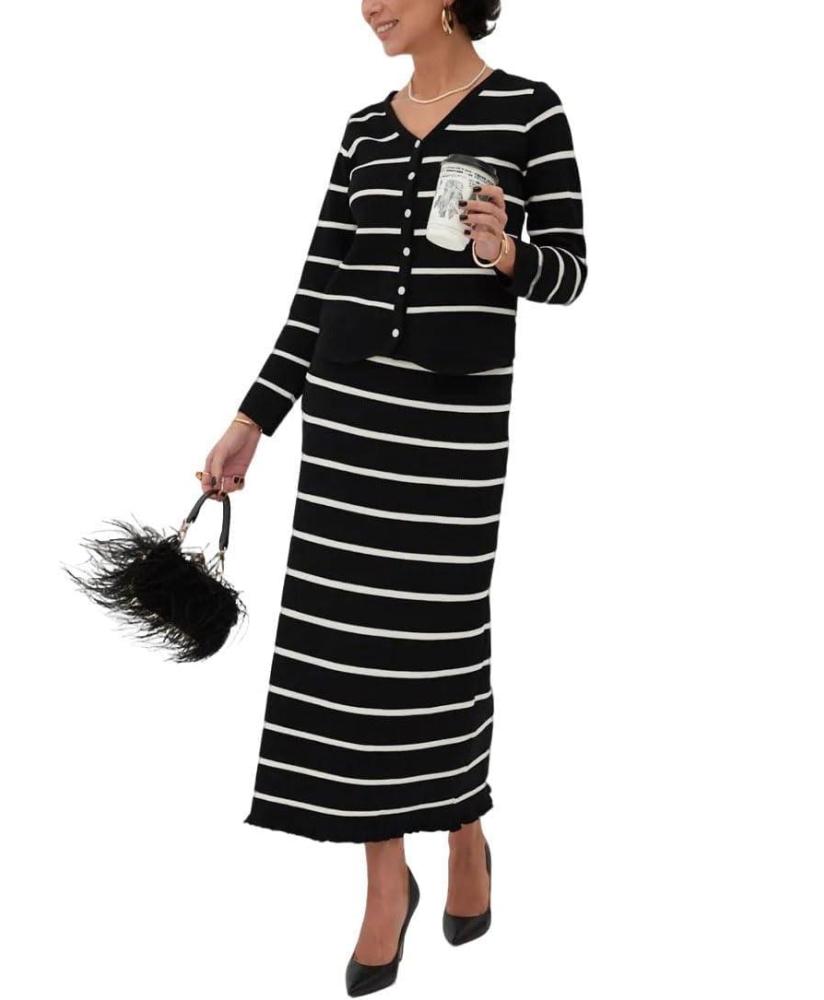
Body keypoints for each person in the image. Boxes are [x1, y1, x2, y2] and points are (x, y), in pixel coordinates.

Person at [200, 1, 587, 993]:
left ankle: (463, 827)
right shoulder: (363, 130)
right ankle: (384, 882)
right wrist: (252, 419)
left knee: (436, 642)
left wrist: (507, 252)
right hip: (349, 422)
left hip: (451, 432)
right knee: (348, 654)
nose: (368, 5)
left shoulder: (531, 111)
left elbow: (572, 274)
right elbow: (317, 285)